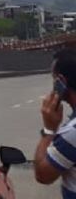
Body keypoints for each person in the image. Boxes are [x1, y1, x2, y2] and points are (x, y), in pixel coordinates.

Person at [34, 47, 76, 195]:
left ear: (62, 82)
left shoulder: (72, 133)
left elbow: (43, 175)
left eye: (54, 79)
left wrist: (49, 130)